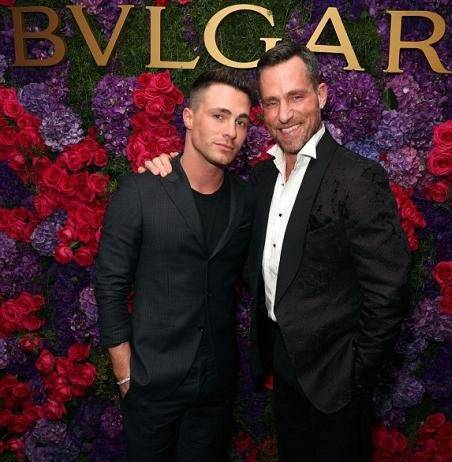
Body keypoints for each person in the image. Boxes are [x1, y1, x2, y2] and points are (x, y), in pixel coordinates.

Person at [141, 42, 411, 462]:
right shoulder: (261, 178)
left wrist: (354, 374)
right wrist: (169, 170)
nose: (284, 114)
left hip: (337, 380)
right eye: (271, 102)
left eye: (296, 97)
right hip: (283, 369)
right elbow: (221, 223)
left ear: (321, 95)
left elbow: (388, 291)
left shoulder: (358, 178)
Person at [95, 68, 255, 462]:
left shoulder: (247, 199)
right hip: (151, 382)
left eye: (241, 122)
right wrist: (126, 374)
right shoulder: (140, 191)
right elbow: (110, 285)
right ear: (188, 117)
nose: (231, 132)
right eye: (219, 116)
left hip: (216, 385)